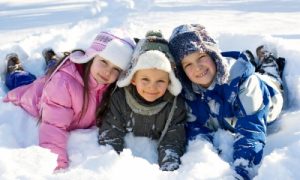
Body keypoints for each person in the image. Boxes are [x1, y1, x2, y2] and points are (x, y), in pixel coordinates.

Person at [3, 30, 135, 170]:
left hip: (58, 81)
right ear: (91, 57)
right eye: (103, 61)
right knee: (24, 82)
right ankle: (15, 69)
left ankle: (52, 60)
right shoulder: (62, 85)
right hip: (38, 95)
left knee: (53, 70)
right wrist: (56, 164)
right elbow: (53, 126)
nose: (108, 72)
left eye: (116, 69)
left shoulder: (111, 88)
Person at [168, 24, 284, 179]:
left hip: (268, 98)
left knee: (269, 77)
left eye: (201, 57)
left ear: (213, 55)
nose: (197, 67)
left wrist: (241, 171)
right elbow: (196, 129)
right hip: (229, 117)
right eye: (188, 64)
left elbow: (251, 131)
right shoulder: (189, 93)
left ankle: (268, 62)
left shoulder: (245, 83)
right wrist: (203, 158)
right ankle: (251, 60)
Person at [97, 31, 187, 171]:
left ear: (169, 82)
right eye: (145, 79)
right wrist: (111, 166)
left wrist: (169, 169)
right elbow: (111, 133)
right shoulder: (120, 98)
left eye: (160, 81)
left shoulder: (175, 106)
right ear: (133, 78)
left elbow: (172, 141)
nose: (152, 87)